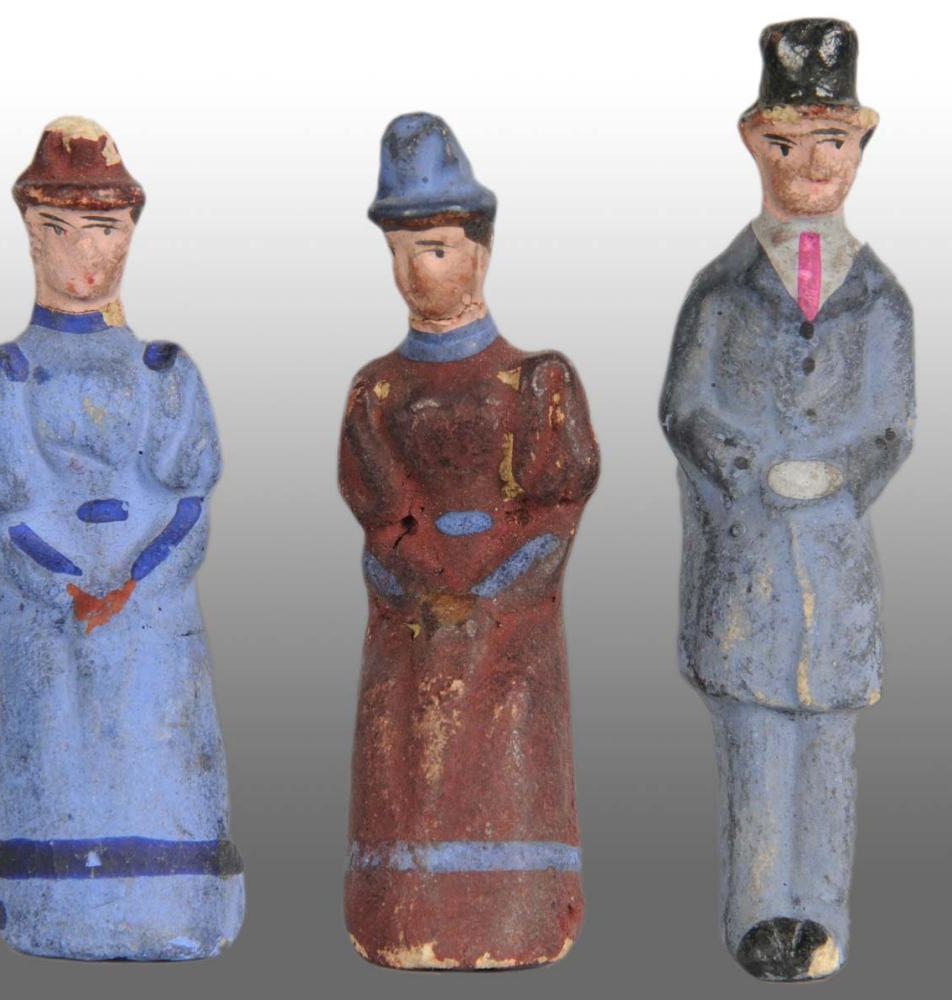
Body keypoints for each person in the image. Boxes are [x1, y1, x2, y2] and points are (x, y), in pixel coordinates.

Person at [659, 20, 915, 981]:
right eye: (787, 143)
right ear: (753, 143)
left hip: (835, 571)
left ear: (860, 145)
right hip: (748, 562)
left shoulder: (881, 300)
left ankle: (823, 912)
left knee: (829, 747)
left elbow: (892, 424)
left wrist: (840, 474)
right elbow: (686, 410)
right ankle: (761, 908)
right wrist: (752, 469)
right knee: (758, 745)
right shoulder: (721, 294)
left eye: (831, 142)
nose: (811, 165)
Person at [0, 116, 244, 960]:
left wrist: (133, 582)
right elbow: (10, 510)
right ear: (31, 233)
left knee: (162, 740)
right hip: (48, 611)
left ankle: (178, 893)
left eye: (105, 229)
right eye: (61, 229)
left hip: (151, 612)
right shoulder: (6, 373)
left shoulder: (165, 371)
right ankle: (52, 897)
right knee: (53, 741)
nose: (84, 253)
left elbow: (189, 499)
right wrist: (71, 587)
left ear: (130, 232)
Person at [339, 112, 599, 969]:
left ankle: (519, 910)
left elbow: (555, 516)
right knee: (403, 758)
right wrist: (421, 592)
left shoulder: (535, 382)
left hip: (509, 624)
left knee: (509, 754)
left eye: (439, 247)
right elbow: (380, 521)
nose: (420, 269)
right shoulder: (376, 390)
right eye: (403, 250)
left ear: (481, 250)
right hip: (411, 625)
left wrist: (486, 598)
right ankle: (401, 912)